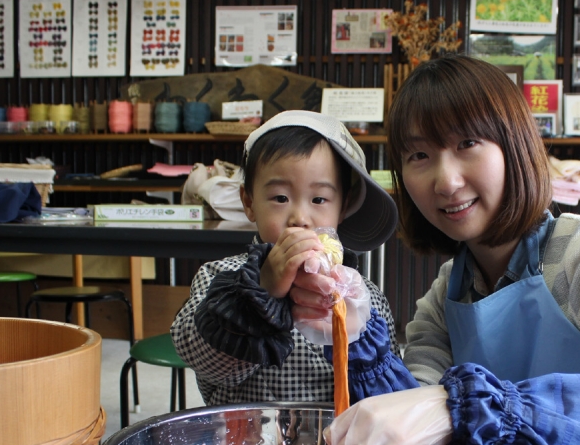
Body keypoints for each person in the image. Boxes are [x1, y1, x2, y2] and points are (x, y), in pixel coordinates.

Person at [326, 54, 580, 445]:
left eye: (467, 144)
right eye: (420, 155)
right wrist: (357, 335)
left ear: (515, 146)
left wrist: (459, 408)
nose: (445, 181)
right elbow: (412, 425)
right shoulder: (445, 296)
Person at [171, 110, 413, 405]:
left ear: (343, 206)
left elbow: (388, 398)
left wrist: (357, 334)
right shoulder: (220, 279)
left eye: (319, 199)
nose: (300, 218)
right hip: (245, 444)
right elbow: (206, 364)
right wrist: (262, 292)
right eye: (280, 198)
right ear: (249, 202)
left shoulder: (366, 297)